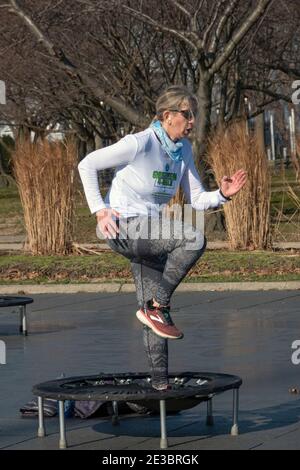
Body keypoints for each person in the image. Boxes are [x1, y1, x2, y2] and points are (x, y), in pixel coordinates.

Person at [78, 85, 247, 390]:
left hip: (150, 231)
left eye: (193, 115)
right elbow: (86, 164)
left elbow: (196, 198)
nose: (192, 121)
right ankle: (157, 305)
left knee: (157, 321)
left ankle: (160, 384)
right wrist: (100, 210)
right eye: (187, 114)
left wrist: (223, 194)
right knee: (193, 239)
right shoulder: (140, 143)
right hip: (124, 226)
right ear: (168, 116)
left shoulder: (182, 151)